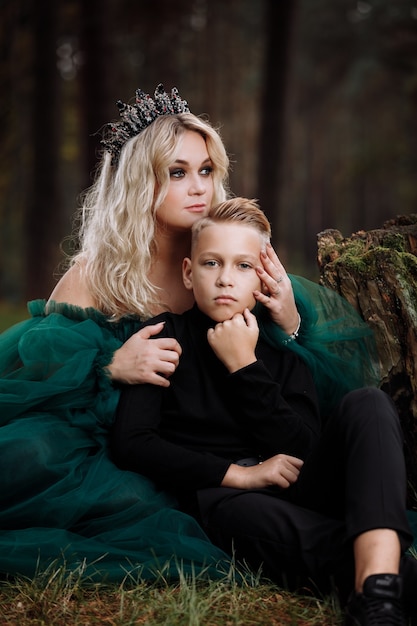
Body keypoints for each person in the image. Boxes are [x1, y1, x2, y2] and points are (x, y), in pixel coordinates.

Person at [0, 84, 412, 587]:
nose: (198, 186)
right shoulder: (97, 275)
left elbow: (302, 384)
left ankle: (378, 566)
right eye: (177, 173)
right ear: (138, 182)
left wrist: (289, 323)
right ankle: (373, 574)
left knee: (356, 421)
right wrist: (107, 367)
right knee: (40, 468)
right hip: (147, 452)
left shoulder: (235, 257)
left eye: (206, 170)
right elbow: (37, 374)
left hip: (256, 435)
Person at [111, 197, 417, 625]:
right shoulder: (164, 339)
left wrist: (244, 367)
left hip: (301, 487)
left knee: (370, 402)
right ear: (188, 272)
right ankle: (383, 588)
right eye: (211, 263)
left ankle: (377, 595)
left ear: (263, 276)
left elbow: (304, 450)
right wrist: (240, 475)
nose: (224, 280)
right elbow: (133, 443)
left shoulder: (282, 350)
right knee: (290, 530)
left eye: (242, 266)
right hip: (225, 498)